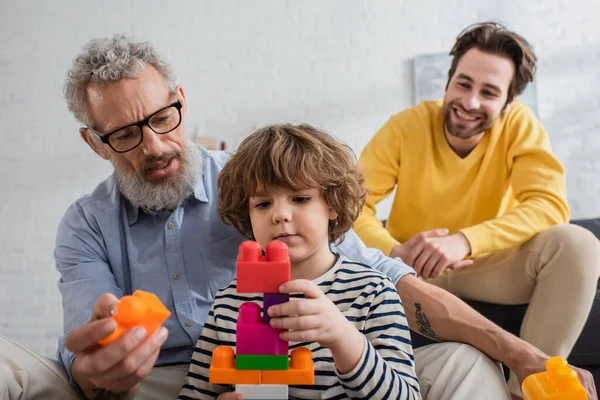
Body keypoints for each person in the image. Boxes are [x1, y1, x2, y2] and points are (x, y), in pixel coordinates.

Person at [0, 34, 595, 400]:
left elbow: (383, 280)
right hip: (152, 383)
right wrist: (98, 369)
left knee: (465, 363)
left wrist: (518, 352)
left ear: (181, 101)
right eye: (126, 134)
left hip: (335, 367)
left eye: (162, 119)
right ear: (94, 142)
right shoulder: (89, 226)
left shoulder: (257, 178)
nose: (154, 146)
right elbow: (120, 364)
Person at [354, 21, 600, 398]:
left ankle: (528, 388)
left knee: (579, 244)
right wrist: (394, 252)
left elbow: (549, 203)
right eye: (464, 84)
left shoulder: (520, 126)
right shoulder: (406, 126)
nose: (469, 102)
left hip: (489, 267)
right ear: (449, 80)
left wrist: (465, 241)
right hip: (413, 272)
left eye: (489, 92)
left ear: (509, 102)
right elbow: (352, 206)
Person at [179, 124, 421, 400]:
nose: (280, 214)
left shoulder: (373, 292)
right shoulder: (228, 304)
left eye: (300, 198)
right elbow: (194, 394)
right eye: (262, 204)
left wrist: (342, 336)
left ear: (332, 205)